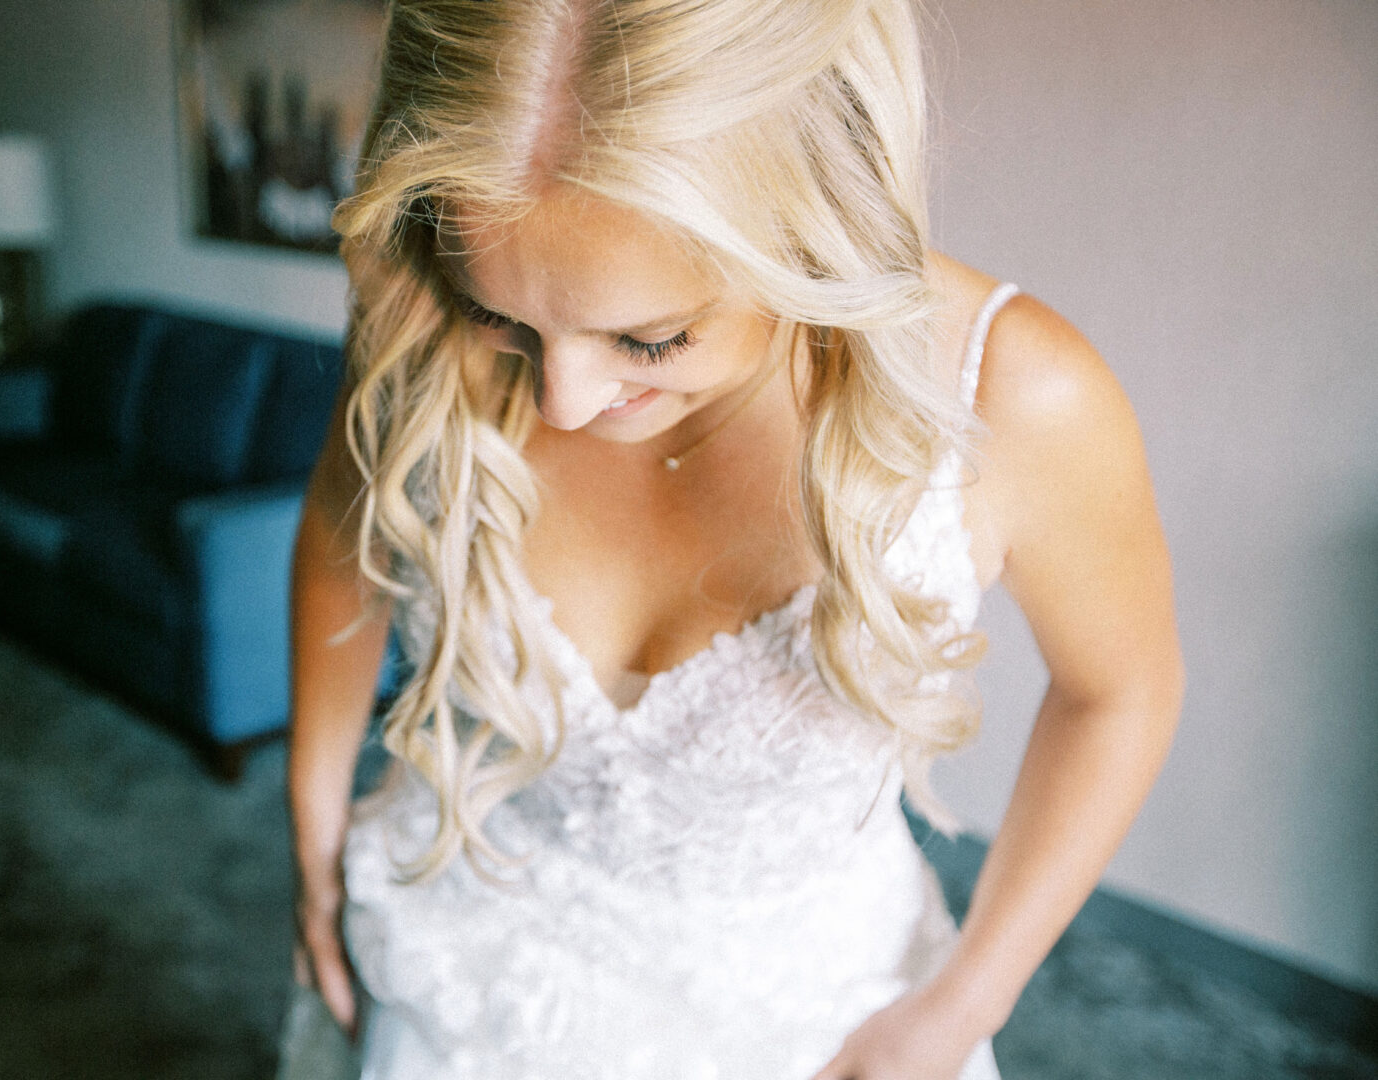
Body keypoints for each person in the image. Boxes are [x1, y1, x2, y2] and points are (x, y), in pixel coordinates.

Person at [284, 0, 1185, 1077]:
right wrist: (315, 824)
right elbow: (344, 548)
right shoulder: (427, 326)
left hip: (806, 1020)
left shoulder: (1018, 395)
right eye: (506, 319)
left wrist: (962, 1004)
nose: (561, 402)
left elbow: (1120, 694)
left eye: (650, 337)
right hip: (463, 976)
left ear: (815, 222)